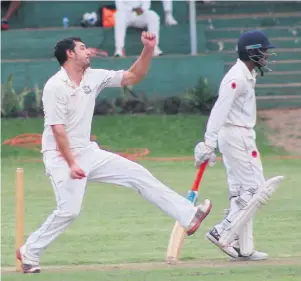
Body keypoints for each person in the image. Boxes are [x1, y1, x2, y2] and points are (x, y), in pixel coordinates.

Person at [16, 32, 212, 274]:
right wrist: (71, 164)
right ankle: (29, 251)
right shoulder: (55, 86)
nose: (89, 52)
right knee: (69, 211)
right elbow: (57, 130)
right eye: (83, 47)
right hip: (60, 156)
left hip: (88, 152)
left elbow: (133, 76)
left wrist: (148, 49)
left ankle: (189, 216)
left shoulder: (94, 77)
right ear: (70, 54)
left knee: (137, 173)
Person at [194, 30, 283, 261]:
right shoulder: (237, 78)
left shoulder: (247, 74)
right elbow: (219, 109)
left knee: (241, 193)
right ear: (252, 52)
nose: (266, 56)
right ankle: (222, 231)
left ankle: (243, 247)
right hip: (237, 136)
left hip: (239, 135)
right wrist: (208, 143)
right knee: (256, 190)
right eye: (263, 51)